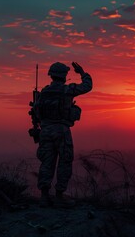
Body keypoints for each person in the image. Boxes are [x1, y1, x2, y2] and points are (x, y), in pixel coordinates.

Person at [34, 62, 93, 208]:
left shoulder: (44, 92)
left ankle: (44, 196)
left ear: (51, 75)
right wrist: (82, 73)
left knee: (47, 162)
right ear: (64, 76)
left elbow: (36, 112)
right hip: (61, 130)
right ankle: (59, 196)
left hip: (46, 131)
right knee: (64, 161)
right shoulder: (67, 90)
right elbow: (87, 86)